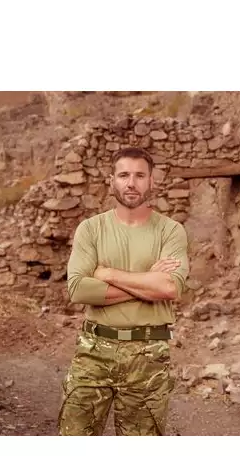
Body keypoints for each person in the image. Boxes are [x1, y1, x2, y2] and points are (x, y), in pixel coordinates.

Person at [58, 147, 190, 435]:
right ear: (112, 180)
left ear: (151, 181)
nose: (131, 183)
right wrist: (148, 281)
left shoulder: (170, 231)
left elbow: (169, 287)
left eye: (140, 176)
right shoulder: (91, 229)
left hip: (149, 354)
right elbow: (78, 289)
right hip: (93, 351)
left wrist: (109, 274)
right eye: (124, 175)